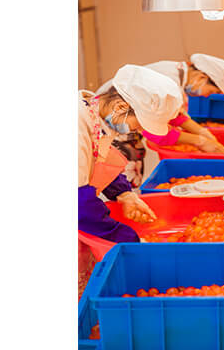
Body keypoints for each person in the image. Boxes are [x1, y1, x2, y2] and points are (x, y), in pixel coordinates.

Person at [78, 64, 183, 298]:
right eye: (138, 125)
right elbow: (79, 204)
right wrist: (129, 240)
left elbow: (98, 158)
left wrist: (125, 194)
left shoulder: (94, 116)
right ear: (120, 107)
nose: (134, 132)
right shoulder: (76, 128)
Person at [96, 54, 224, 185]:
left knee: (123, 180)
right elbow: (153, 134)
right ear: (202, 77)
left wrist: (202, 132)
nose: (207, 96)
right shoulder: (168, 79)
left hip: (118, 123)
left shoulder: (176, 75)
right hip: (111, 127)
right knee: (117, 174)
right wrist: (199, 140)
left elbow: (174, 116)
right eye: (212, 91)